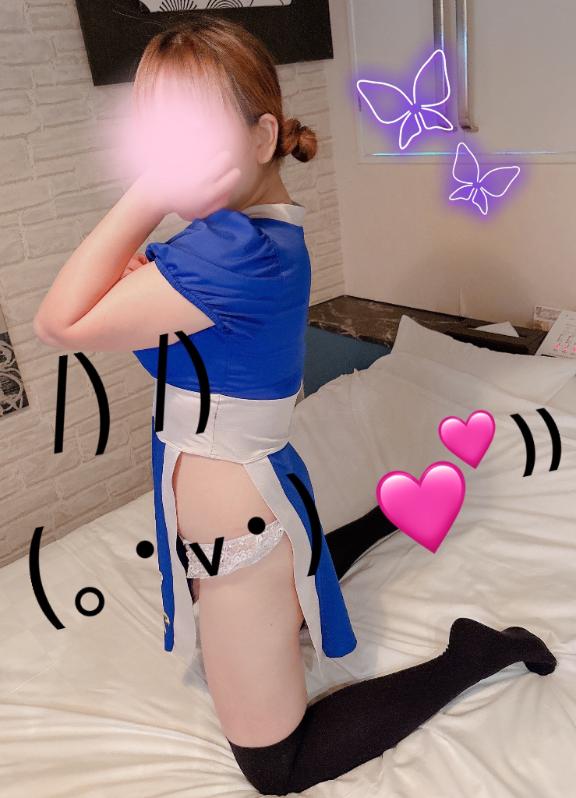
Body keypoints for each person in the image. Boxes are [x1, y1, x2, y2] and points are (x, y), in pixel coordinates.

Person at [33, 16, 557, 796]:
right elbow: (147, 323)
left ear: (262, 134)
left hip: (237, 538)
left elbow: (58, 322)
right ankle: (366, 532)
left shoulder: (228, 250)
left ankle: (474, 654)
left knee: (276, 767)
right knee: (284, 576)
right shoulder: (249, 234)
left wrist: (146, 198)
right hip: (252, 500)